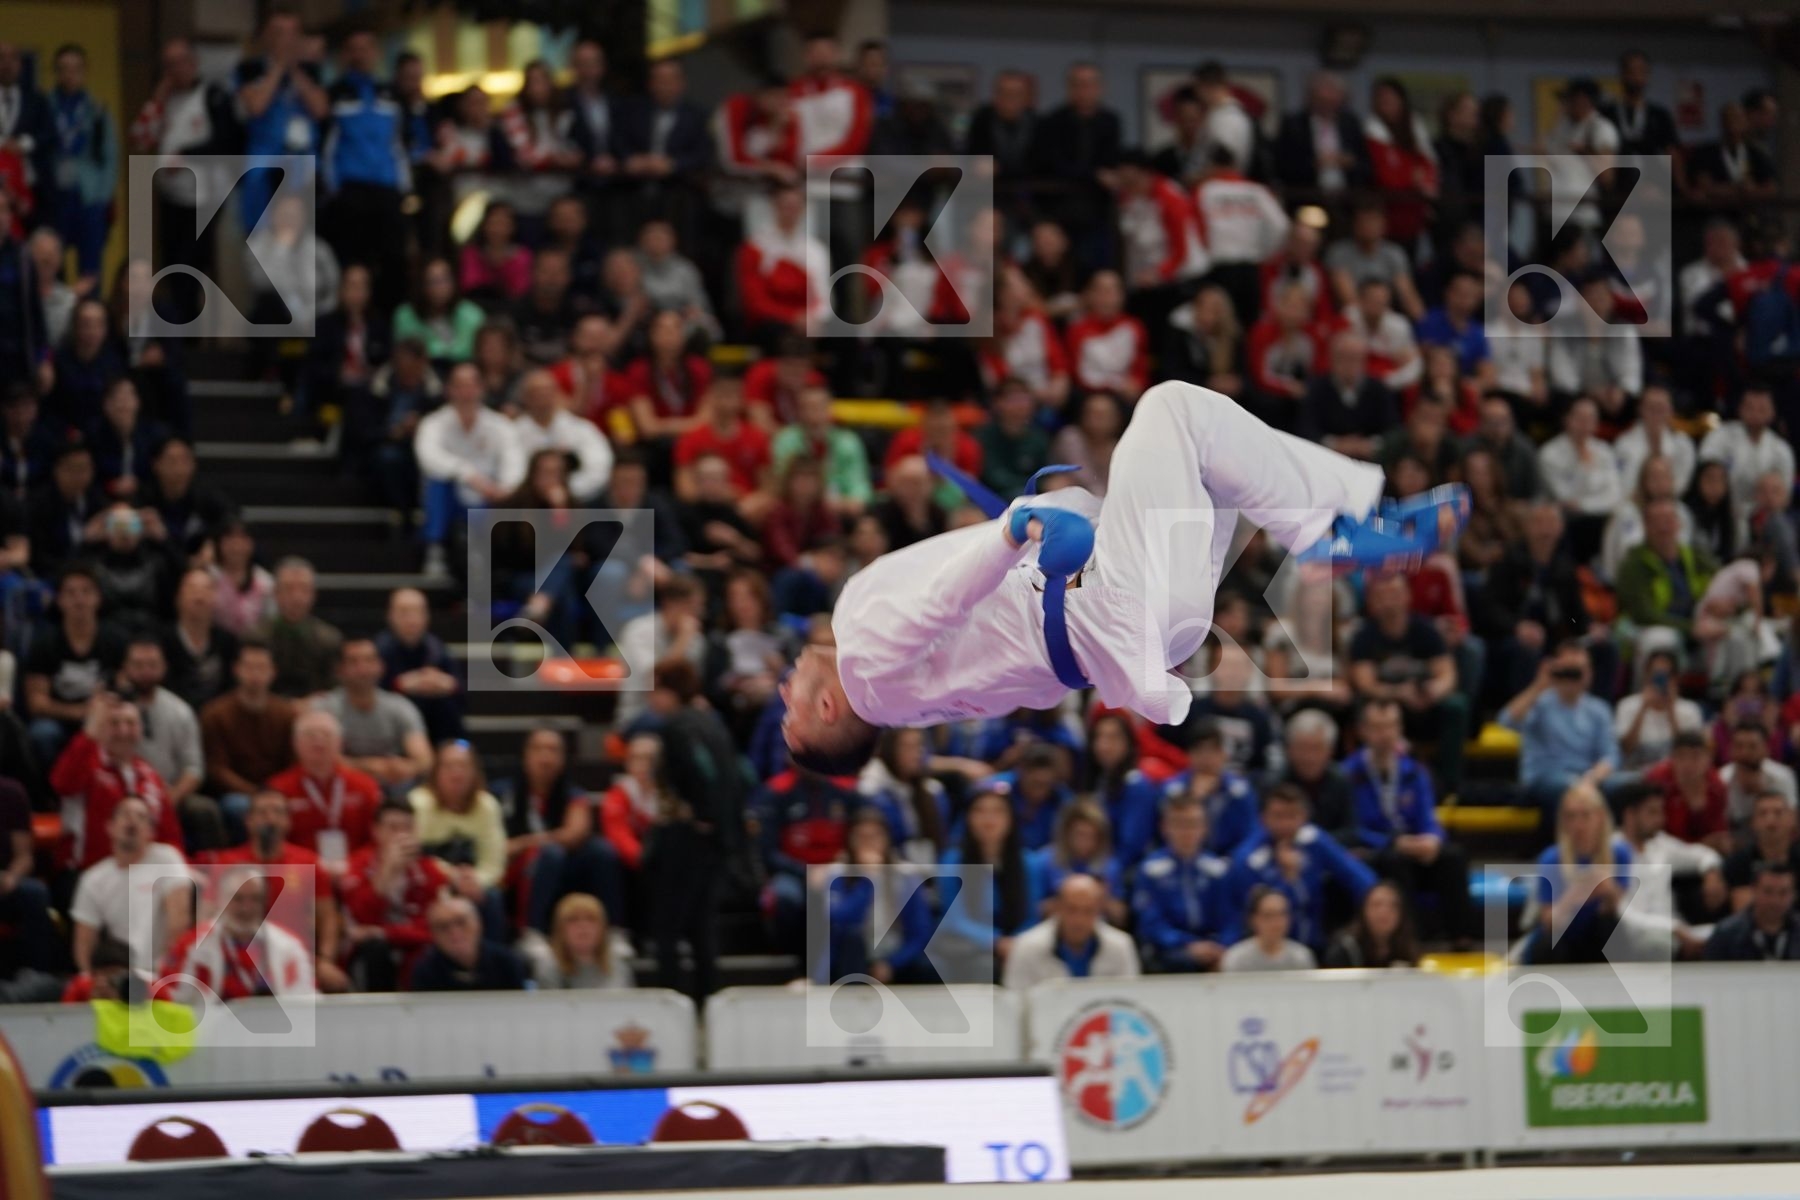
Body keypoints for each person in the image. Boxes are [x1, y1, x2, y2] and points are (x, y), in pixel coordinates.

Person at [779, 381, 1463, 777]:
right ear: (827, 711)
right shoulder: (863, 654)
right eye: (790, 708)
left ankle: (1345, 521)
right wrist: (1014, 530)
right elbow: (939, 600)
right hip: (1107, 604)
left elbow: (980, 626)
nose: (785, 688)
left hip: (1147, 631)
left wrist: (1026, 543)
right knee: (1173, 408)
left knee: (1220, 460)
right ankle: (1330, 529)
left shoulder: (904, 704)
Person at [1343, 698, 1471, 942]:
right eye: (1378, 727)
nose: (1386, 734)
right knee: (1395, 860)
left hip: (1412, 847)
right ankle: (1411, 939)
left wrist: (1432, 838)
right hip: (1376, 852)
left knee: (1453, 856)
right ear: (1363, 732)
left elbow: (1428, 817)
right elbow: (1353, 829)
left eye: (1392, 726)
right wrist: (1393, 842)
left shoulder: (1413, 771)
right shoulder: (1349, 774)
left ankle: (1462, 938)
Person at [202, 788, 346, 992]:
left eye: (278, 813)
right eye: (262, 813)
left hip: (292, 960)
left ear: (288, 822)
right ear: (248, 821)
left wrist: (325, 960)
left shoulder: (308, 862)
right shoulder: (227, 864)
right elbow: (208, 917)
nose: (270, 819)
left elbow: (328, 917)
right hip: (238, 963)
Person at [1349, 571, 1469, 792]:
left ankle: (1449, 784)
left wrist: (1434, 691)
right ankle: (1369, 779)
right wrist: (1398, 693)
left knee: (1456, 707)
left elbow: (1448, 674)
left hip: (1423, 702)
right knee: (1365, 709)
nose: (1389, 601)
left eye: (1394, 593)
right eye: (1382, 595)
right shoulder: (1364, 636)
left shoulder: (1425, 630)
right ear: (1372, 602)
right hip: (1388, 703)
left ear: (1407, 596)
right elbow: (1364, 683)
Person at [1227, 783, 1375, 954]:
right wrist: (1288, 879)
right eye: (1278, 816)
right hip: (1268, 948)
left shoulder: (1314, 840)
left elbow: (1360, 878)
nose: (1286, 824)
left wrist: (1366, 915)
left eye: (1292, 816)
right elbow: (1256, 915)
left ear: (1304, 817)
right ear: (1263, 819)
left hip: (1316, 943)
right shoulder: (1249, 859)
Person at [501, 727, 621, 933]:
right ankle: (533, 932)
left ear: (564, 758)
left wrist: (524, 843)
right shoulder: (502, 793)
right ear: (525, 755)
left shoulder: (573, 794)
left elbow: (575, 833)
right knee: (550, 853)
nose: (545, 757)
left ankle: (615, 931)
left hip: (564, 869)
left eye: (553, 750)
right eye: (538, 749)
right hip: (517, 870)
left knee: (601, 851)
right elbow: (498, 847)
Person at [414, 362, 525, 576]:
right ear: (449, 390)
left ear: (481, 389)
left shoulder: (500, 425)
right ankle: (435, 550)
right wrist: (468, 474)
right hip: (452, 497)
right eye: (459, 386)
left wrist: (504, 487)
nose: (466, 392)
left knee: (513, 496)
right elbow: (428, 457)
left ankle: (490, 561)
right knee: (437, 479)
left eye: (471, 385)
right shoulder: (433, 423)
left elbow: (514, 462)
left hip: (489, 497)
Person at [69, 796, 192, 974]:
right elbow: (84, 943)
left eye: (141, 817)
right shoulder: (94, 878)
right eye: (125, 814)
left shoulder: (167, 859)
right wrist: (89, 979)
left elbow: (179, 921)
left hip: (161, 970)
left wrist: (165, 971)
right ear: (110, 827)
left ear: (151, 832)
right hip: (118, 974)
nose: (132, 821)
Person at [157, 867, 316, 1004]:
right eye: (238, 899)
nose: (246, 908)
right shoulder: (191, 946)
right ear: (221, 900)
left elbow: (304, 1002)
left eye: (255, 899)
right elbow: (171, 999)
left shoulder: (288, 947)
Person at [24, 562, 125, 768]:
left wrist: (104, 708)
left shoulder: (115, 640)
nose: (79, 600)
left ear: (98, 598)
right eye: (71, 593)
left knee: (126, 725)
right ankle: (51, 795)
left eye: (86, 592)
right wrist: (80, 711)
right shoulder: (44, 644)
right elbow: (36, 703)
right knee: (42, 733)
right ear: (60, 600)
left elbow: (125, 688)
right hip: (58, 721)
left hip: (104, 717)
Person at [1500, 641, 1620, 816]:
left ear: (1589, 674)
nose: (1572, 676)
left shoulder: (1599, 709)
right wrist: (1539, 684)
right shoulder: (1540, 703)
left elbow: (1610, 755)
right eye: (1567, 670)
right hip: (1545, 778)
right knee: (1570, 789)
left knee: (1628, 786)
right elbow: (1507, 721)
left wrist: (1592, 778)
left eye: (1578, 670)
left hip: (1588, 777)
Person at [341, 797, 447, 991]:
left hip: (412, 946)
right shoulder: (356, 865)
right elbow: (360, 920)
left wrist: (386, 933)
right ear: (376, 831)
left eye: (407, 828)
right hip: (369, 953)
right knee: (375, 949)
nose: (401, 835)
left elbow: (436, 927)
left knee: (433, 953)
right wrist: (387, 870)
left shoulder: (429, 870)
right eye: (393, 828)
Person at [1524, 782, 1631, 965]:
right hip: (1562, 936)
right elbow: (1549, 923)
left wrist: (1608, 890)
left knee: (1611, 928)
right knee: (1549, 944)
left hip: (1596, 935)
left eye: (1585, 816)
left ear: (1600, 817)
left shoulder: (1619, 853)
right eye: (1571, 817)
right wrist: (1577, 895)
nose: (1578, 825)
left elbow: (1622, 910)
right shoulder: (1551, 858)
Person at [265, 709, 382, 869]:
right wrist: (313, 866)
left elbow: (378, 838)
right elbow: (274, 843)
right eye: (310, 735)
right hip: (299, 872)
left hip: (358, 870)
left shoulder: (365, 786)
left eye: (326, 735)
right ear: (295, 743)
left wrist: (354, 866)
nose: (318, 741)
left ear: (340, 743)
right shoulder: (278, 788)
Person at [200, 640, 298, 829]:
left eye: (261, 667)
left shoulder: (286, 714)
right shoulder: (215, 714)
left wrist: (273, 792)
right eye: (249, 667)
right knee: (238, 806)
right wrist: (254, 793)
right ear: (237, 670)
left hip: (278, 790)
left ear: (273, 672)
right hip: (236, 794)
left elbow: (292, 763)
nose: (255, 674)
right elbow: (216, 769)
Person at [315, 637, 434, 793]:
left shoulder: (400, 706)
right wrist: (370, 766)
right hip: (342, 789)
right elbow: (320, 759)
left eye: (369, 660)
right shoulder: (324, 709)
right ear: (340, 670)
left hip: (394, 788)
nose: (363, 669)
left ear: (381, 666)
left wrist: (406, 767)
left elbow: (425, 760)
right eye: (354, 662)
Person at [1131, 792, 1231, 972]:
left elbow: (1231, 917)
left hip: (1214, 948)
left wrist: (1220, 945)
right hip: (1171, 951)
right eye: (1179, 824)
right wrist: (1188, 945)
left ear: (1204, 828)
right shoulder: (1151, 870)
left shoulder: (1218, 870)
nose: (1187, 832)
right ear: (1165, 827)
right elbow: (1151, 923)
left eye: (1193, 824)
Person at [1002, 873, 1140, 988]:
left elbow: (1128, 1003)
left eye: (1088, 911)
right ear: (1058, 907)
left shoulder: (1121, 946)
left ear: (1099, 911)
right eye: (1072, 909)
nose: (1079, 920)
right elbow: (1014, 1006)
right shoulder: (1026, 947)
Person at [376, 586, 463, 744]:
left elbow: (459, 688)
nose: (411, 619)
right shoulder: (380, 650)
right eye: (404, 612)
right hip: (392, 732)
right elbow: (373, 693)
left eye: (417, 612)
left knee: (445, 705)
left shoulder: (437, 648)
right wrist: (399, 684)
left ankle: (451, 751)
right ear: (390, 615)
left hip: (435, 727)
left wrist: (446, 684)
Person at [250, 557, 344, 698]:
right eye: (288, 588)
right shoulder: (255, 636)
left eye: (303, 589)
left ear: (313, 594)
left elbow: (335, 689)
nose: (296, 597)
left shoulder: (329, 639)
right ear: (276, 593)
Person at [408, 894, 528, 992]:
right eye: (442, 927)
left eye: (461, 922)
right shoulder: (425, 972)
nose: (454, 932)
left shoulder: (507, 963)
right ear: (433, 935)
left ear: (478, 923)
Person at [164, 564, 240, 713]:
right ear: (178, 597)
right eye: (192, 589)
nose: (199, 596)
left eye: (207, 589)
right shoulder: (163, 641)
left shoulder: (228, 642)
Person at [0, 777, 55, 974]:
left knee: (35, 894)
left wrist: (10, 878)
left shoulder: (10, 793)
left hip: (4, 884)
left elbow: (24, 857)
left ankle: (38, 978)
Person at [526, 892, 635, 989]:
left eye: (591, 919)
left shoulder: (619, 967)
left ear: (603, 928)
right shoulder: (548, 968)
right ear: (560, 929)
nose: (583, 926)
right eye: (573, 919)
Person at [1703, 863, 1800, 961]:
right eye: (1768, 891)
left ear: (1794, 894)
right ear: (1753, 890)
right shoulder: (1726, 934)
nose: (1775, 900)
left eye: (1783, 893)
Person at [1722, 791, 1800, 911]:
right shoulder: (1738, 863)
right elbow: (1742, 910)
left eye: (1778, 813)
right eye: (1763, 814)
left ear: (1792, 820)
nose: (1770, 820)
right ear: (1753, 822)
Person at [1322, 881, 1418, 968]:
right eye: (1377, 905)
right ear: (1364, 911)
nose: (1384, 912)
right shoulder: (1345, 950)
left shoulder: (1407, 950)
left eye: (1393, 906)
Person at [1221, 885, 1317, 972]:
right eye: (1268, 915)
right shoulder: (1237, 959)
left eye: (1282, 914)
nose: (1276, 923)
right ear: (1253, 919)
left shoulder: (1301, 957)